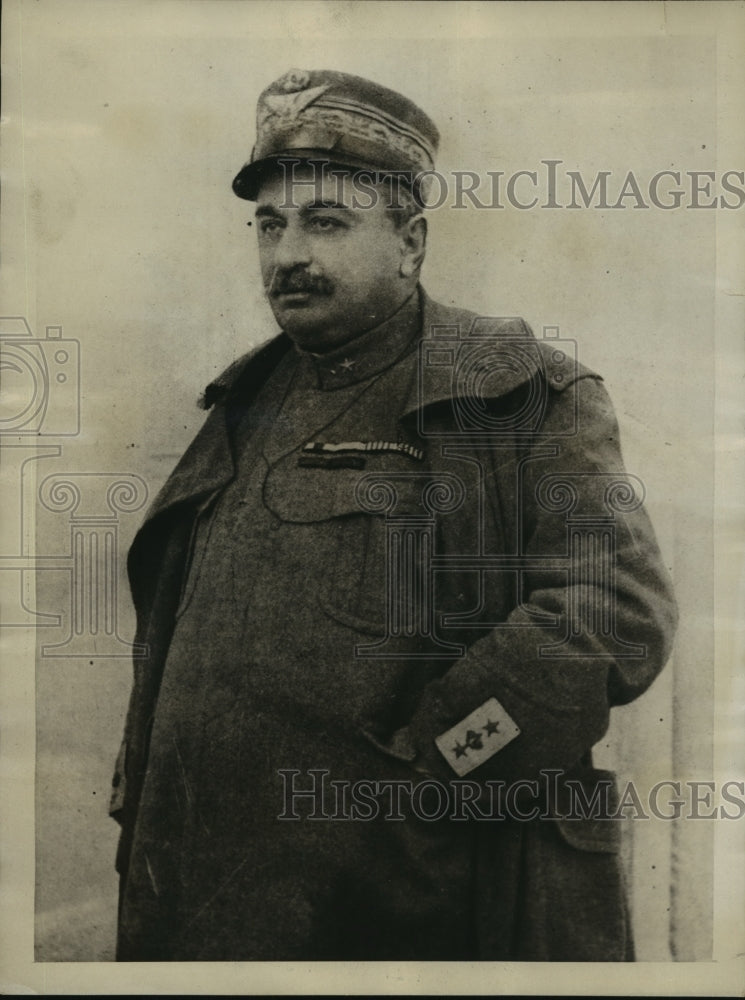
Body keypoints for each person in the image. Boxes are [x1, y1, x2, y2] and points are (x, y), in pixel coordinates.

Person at [110, 68, 678, 961]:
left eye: (325, 221)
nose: (286, 254)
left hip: (414, 906)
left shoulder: (514, 387)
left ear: (410, 242)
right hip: (203, 903)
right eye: (270, 224)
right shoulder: (242, 403)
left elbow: (612, 610)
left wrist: (436, 773)